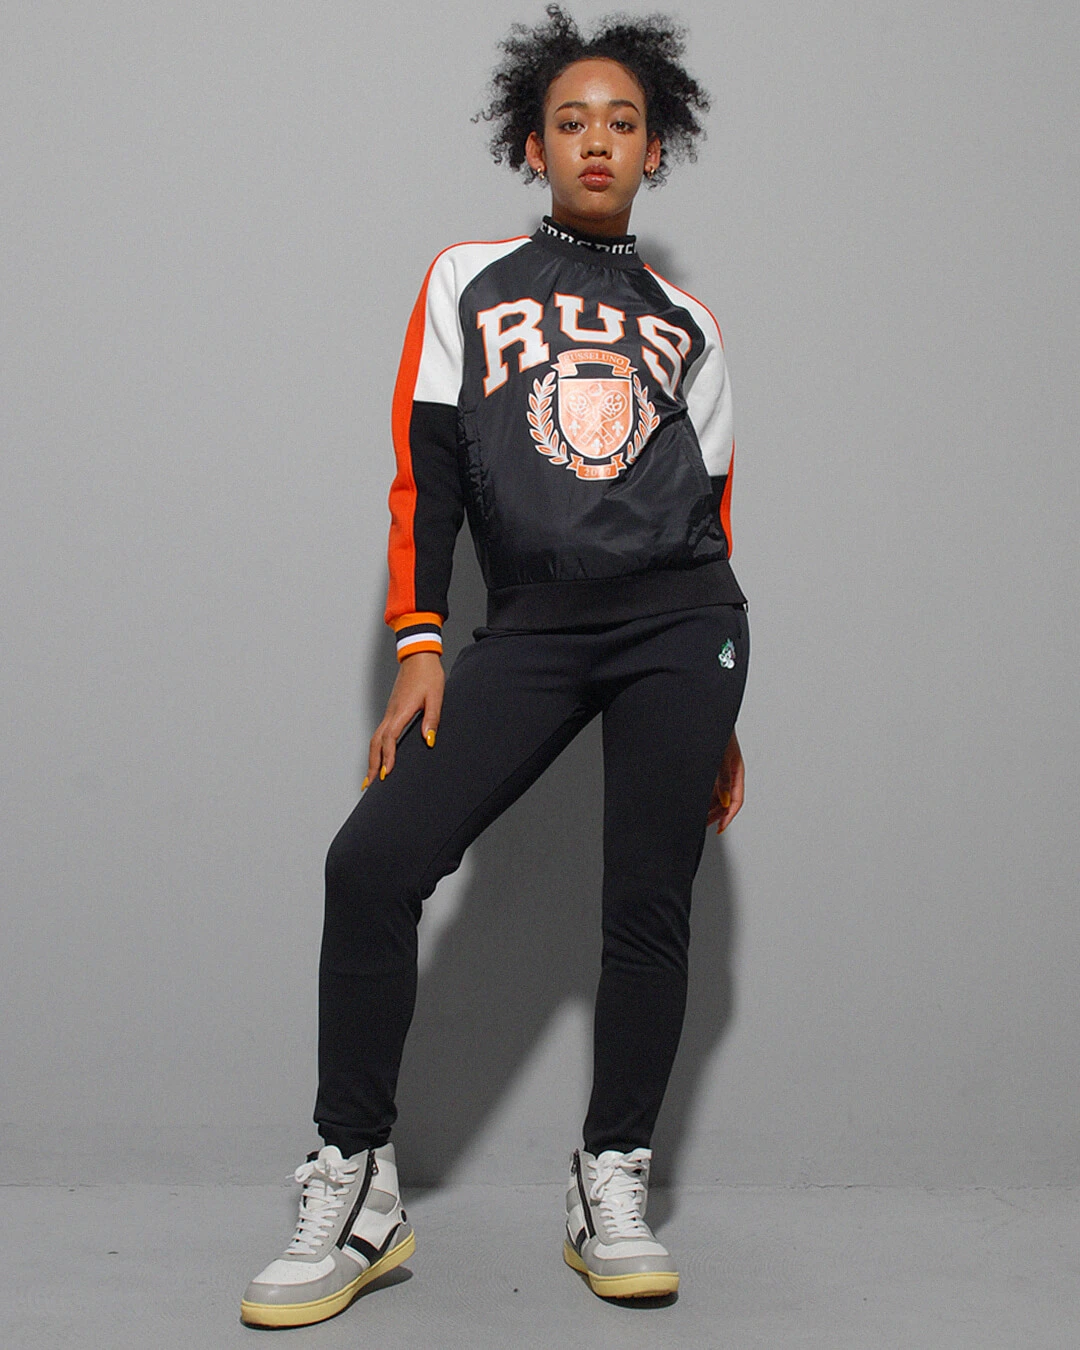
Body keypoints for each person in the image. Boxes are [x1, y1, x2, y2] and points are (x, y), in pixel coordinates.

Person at [241, 4, 749, 1327]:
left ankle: (610, 1177)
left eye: (623, 122)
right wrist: (420, 641)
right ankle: (358, 1185)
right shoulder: (468, 278)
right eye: (572, 121)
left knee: (649, 904)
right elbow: (427, 475)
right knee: (373, 863)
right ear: (534, 145)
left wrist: (720, 707)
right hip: (531, 625)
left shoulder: (691, 321)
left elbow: (712, 511)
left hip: (683, 625)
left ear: (657, 151)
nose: (598, 140)